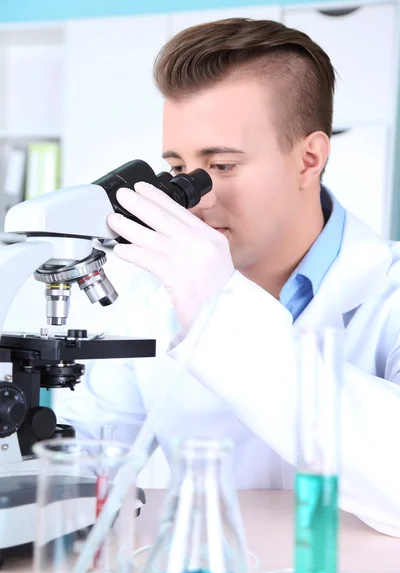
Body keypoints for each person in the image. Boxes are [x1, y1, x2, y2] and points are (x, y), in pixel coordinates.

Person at [58, 18, 400, 537]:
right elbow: (87, 453)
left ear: (309, 158)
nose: (198, 196)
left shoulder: (389, 290)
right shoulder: (153, 294)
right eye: (178, 170)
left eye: (221, 165)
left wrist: (219, 314)